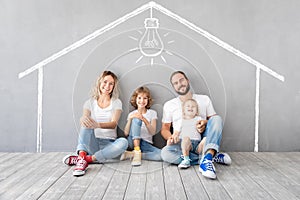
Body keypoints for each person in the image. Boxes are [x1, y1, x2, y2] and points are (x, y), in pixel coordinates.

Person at [161, 71, 231, 179]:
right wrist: (170, 137)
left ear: (187, 80)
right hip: (182, 142)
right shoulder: (169, 105)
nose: (180, 84)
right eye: (175, 83)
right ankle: (210, 156)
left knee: (216, 118)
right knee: (165, 153)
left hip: (202, 138)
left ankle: (207, 157)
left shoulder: (204, 99)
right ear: (173, 87)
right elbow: (165, 128)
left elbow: (214, 122)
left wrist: (205, 122)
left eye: (181, 80)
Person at [63, 70, 128, 176]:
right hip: (92, 143)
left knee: (124, 143)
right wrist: (82, 119)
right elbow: (85, 118)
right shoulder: (89, 103)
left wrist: (97, 125)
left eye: (111, 84)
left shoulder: (116, 102)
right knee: (86, 123)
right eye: (105, 82)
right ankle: (82, 157)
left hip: (109, 145)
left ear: (114, 87)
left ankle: (85, 159)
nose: (107, 86)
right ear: (99, 83)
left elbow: (113, 124)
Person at [121, 86, 162, 166]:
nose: (142, 101)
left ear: (148, 100)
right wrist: (130, 119)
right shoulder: (131, 114)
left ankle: (134, 154)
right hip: (132, 142)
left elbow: (152, 132)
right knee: (136, 119)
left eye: (145, 98)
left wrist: (144, 119)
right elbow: (126, 133)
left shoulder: (152, 113)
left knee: (161, 155)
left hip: (145, 144)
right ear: (135, 99)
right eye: (139, 98)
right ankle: (136, 150)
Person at [172, 98, 206, 169]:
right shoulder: (180, 121)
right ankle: (186, 159)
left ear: (196, 111)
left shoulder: (198, 118)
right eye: (188, 106)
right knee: (186, 138)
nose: (190, 107)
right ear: (183, 110)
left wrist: (203, 124)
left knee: (206, 139)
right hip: (186, 145)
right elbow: (176, 133)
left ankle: (203, 159)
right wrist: (172, 140)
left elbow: (205, 123)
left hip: (197, 145)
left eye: (193, 107)